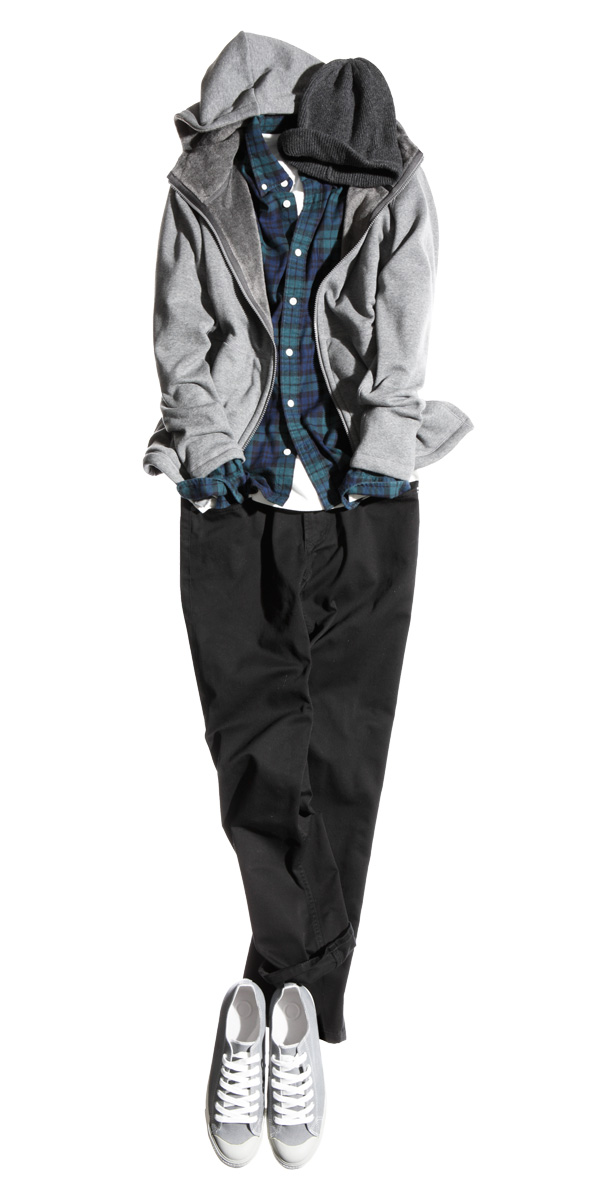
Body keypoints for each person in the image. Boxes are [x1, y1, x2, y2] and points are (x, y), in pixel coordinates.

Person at [142, 30, 473, 1168]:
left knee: (346, 758)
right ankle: (297, 1006)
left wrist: (380, 450)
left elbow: (405, 328)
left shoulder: (386, 174)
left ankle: (271, 1002)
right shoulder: (199, 190)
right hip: (232, 494)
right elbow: (182, 333)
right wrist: (202, 448)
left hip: (360, 494)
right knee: (251, 749)